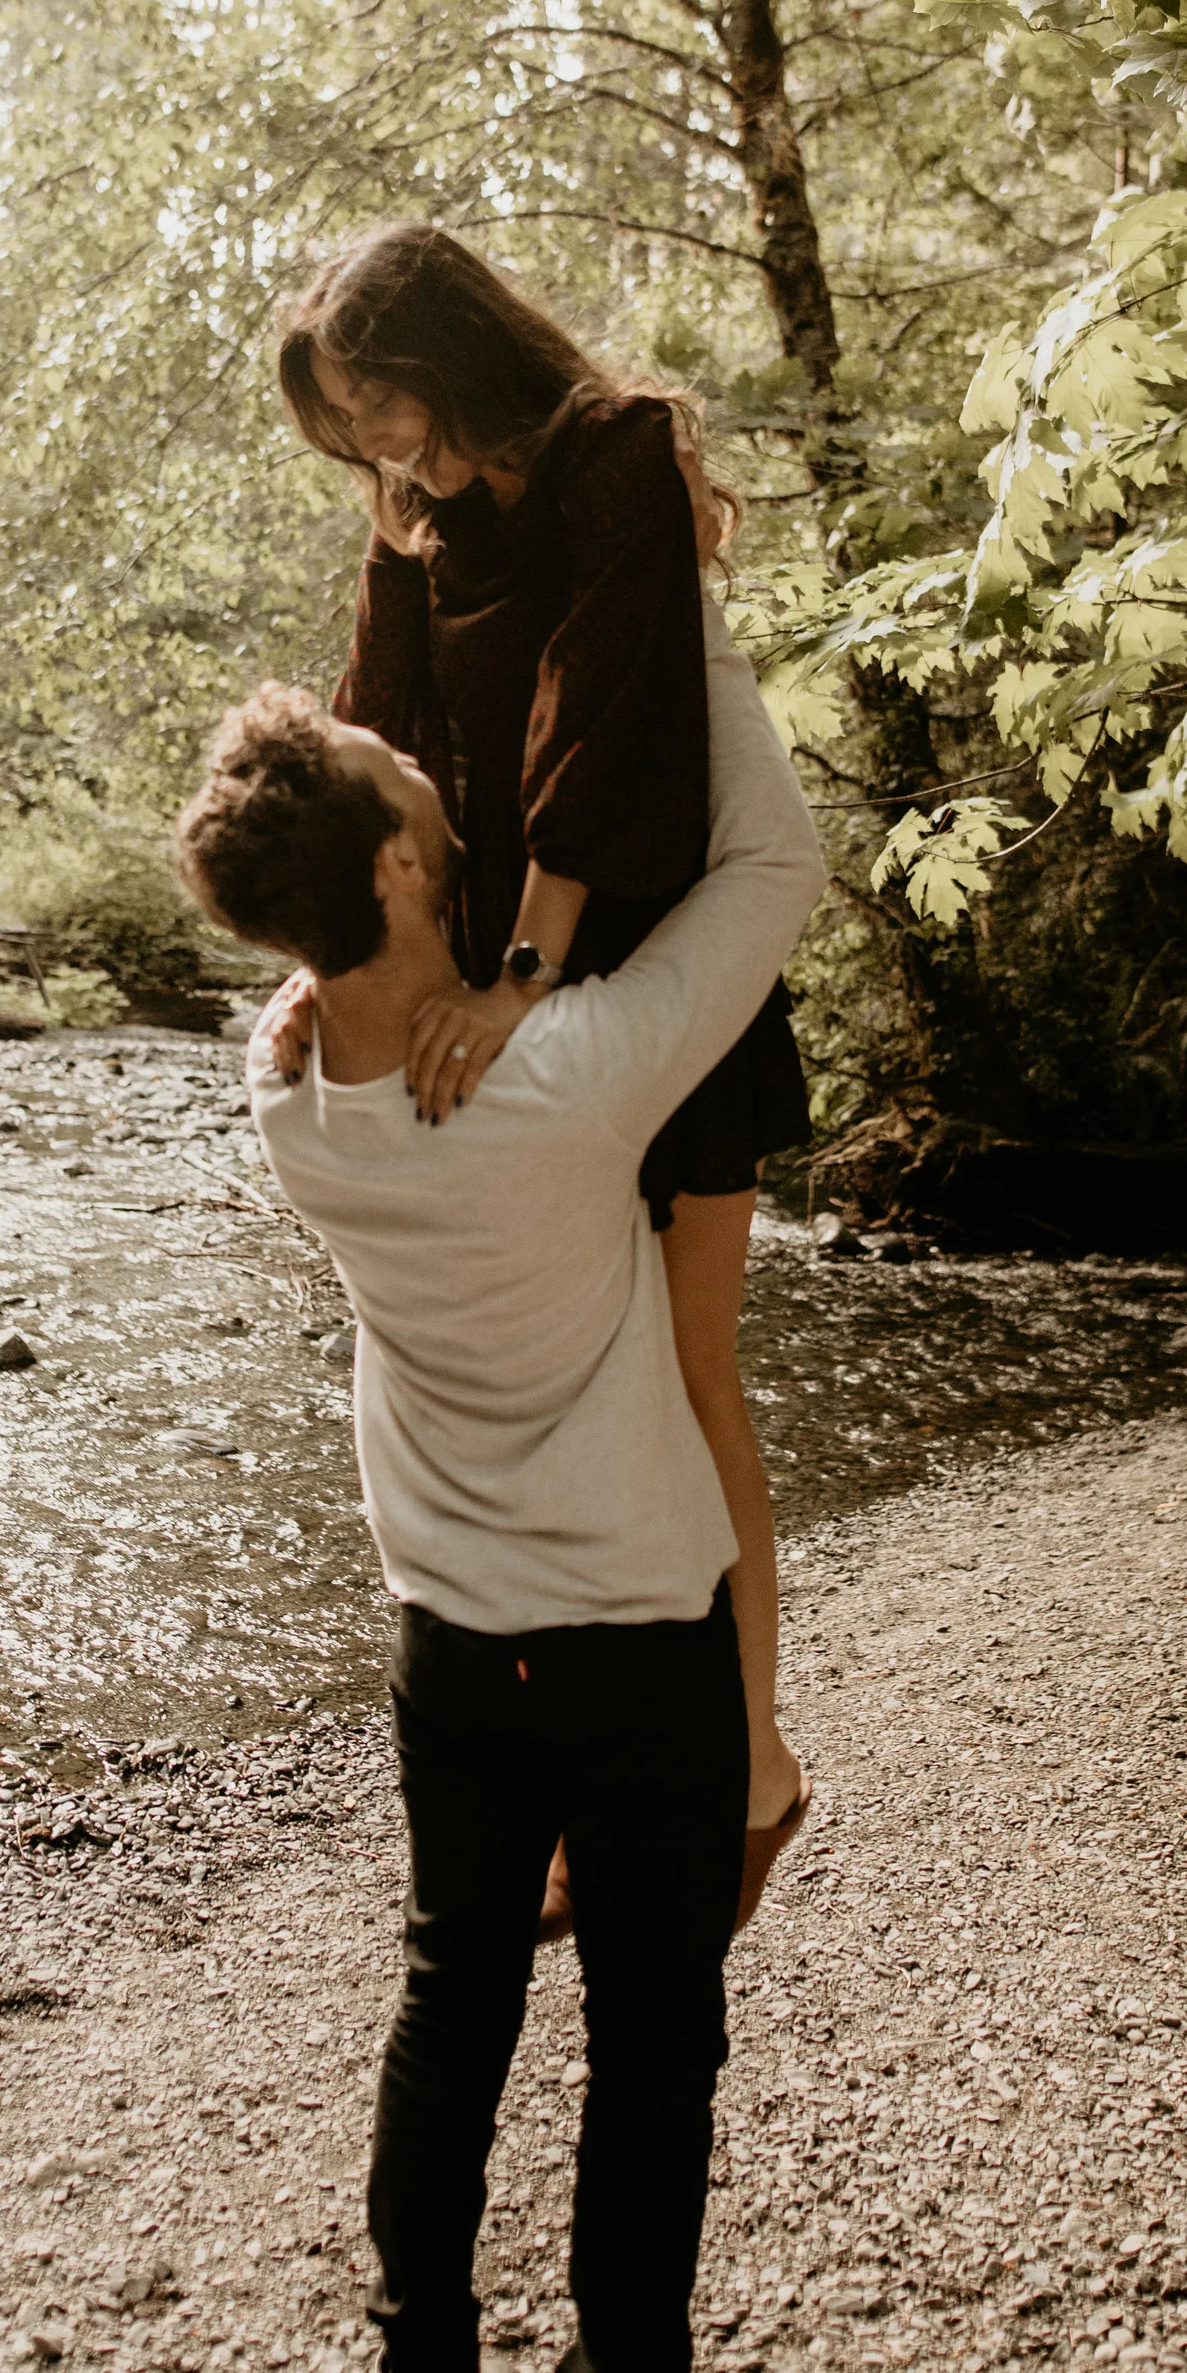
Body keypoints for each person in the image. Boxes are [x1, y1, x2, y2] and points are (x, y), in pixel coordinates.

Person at [174, 609, 855, 2373]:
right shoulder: (562, 1080)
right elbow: (773, 872)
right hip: (634, 1639)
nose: (432, 783)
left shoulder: (290, 1097)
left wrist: (338, 970)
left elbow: (324, 999)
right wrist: (674, 633)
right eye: (404, 785)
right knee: (649, 2063)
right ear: (393, 871)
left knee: (451, 2007)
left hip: (450, 1652)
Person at [275, 221, 811, 1931]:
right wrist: (327, 964)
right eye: (357, 431)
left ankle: (751, 1771)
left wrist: (526, 970)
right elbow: (368, 741)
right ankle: (604, 1787)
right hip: (489, 986)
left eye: (389, 408)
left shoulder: (612, 448)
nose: (385, 452)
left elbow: (611, 694)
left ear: (450, 345)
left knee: (694, 1381)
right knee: (567, 1403)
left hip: (638, 962)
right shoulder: (415, 520)